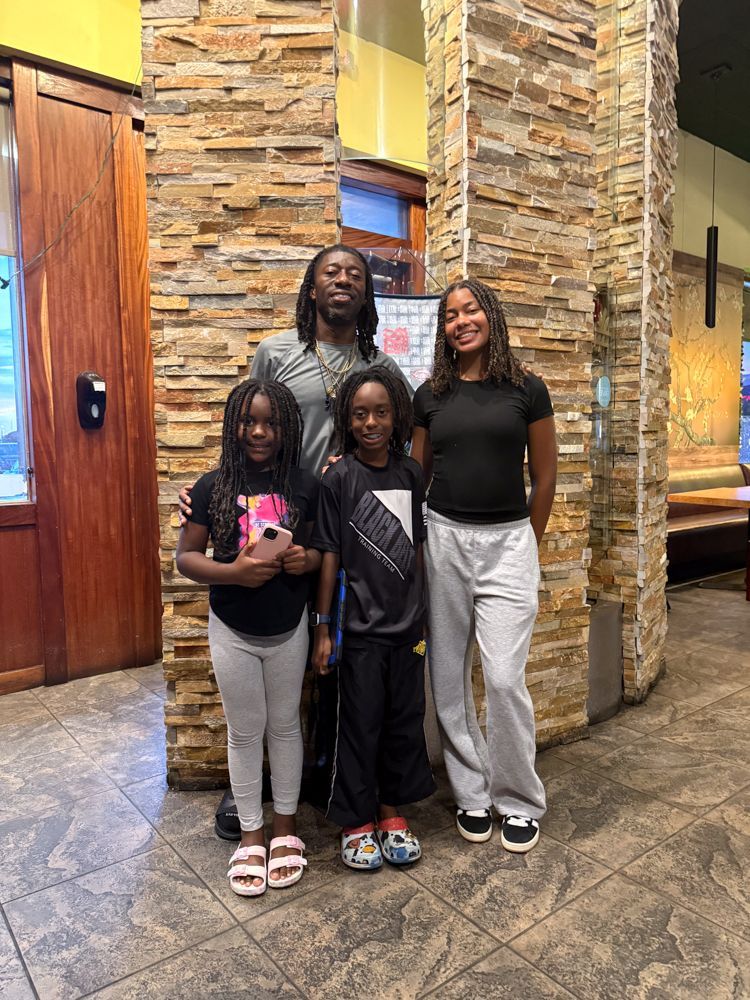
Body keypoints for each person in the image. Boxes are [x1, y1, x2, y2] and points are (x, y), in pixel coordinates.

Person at [178, 245, 413, 838]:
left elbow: (398, 451)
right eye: (331, 271)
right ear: (311, 287)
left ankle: (325, 786)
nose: (343, 281)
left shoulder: (379, 364)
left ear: (367, 293)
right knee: (262, 658)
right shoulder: (276, 352)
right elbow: (248, 424)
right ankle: (250, 795)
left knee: (322, 662)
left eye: (355, 275)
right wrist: (206, 496)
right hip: (272, 527)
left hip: (339, 537)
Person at [410, 279, 557, 854]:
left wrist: (529, 542)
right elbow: (415, 476)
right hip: (443, 538)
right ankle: (472, 792)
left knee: (501, 678)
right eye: (450, 314)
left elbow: (544, 476)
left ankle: (518, 798)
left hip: (507, 544)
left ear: (490, 316)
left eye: (471, 310)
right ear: (443, 329)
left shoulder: (527, 389)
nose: (461, 320)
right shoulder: (430, 395)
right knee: (447, 679)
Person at [175, 379, 321, 896]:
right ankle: (252, 836)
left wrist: (307, 558)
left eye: (271, 423)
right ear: (233, 425)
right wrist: (233, 573)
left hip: (288, 628)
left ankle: (285, 827)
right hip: (232, 628)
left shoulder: (304, 485)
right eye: (249, 421)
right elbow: (185, 558)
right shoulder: (211, 485)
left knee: (284, 727)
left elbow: (320, 553)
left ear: (287, 428)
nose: (259, 432)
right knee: (244, 731)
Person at [311, 366, 435, 870]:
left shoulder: (410, 473)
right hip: (358, 632)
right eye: (360, 413)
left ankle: (389, 812)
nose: (371, 422)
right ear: (347, 418)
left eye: (381, 412)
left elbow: (420, 549)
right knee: (358, 726)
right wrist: (323, 629)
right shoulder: (337, 479)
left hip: (407, 631)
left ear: (397, 415)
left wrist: (424, 613)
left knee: (402, 724)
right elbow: (329, 558)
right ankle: (356, 820)